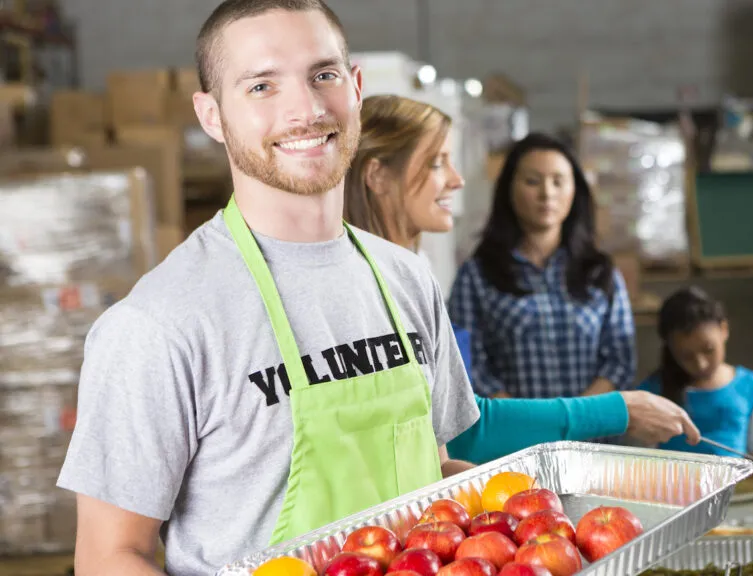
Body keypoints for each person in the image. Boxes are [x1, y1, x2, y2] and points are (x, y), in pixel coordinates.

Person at [55, 2, 481, 575]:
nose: (305, 109)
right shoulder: (160, 322)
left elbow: (430, 473)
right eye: (261, 86)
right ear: (211, 115)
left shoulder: (405, 278)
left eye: (323, 75)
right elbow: (109, 557)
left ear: (355, 88)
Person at [342, 94, 702, 463]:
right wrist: (616, 410)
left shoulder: (413, 277)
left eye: (558, 181)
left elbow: (441, 439)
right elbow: (466, 425)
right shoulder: (358, 291)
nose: (457, 180)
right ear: (378, 176)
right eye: (437, 163)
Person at [448, 132, 637, 400]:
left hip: (592, 435)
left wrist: (575, 421)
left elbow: (620, 361)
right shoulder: (477, 275)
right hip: (515, 437)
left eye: (558, 181)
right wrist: (533, 424)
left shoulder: (599, 272)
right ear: (509, 188)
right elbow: (467, 366)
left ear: (575, 190)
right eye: (532, 181)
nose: (547, 193)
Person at [636, 286, 753, 457]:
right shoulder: (652, 393)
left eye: (708, 350)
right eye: (686, 355)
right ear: (670, 348)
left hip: (738, 484)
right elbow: (641, 457)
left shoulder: (750, 387)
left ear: (724, 330)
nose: (700, 364)